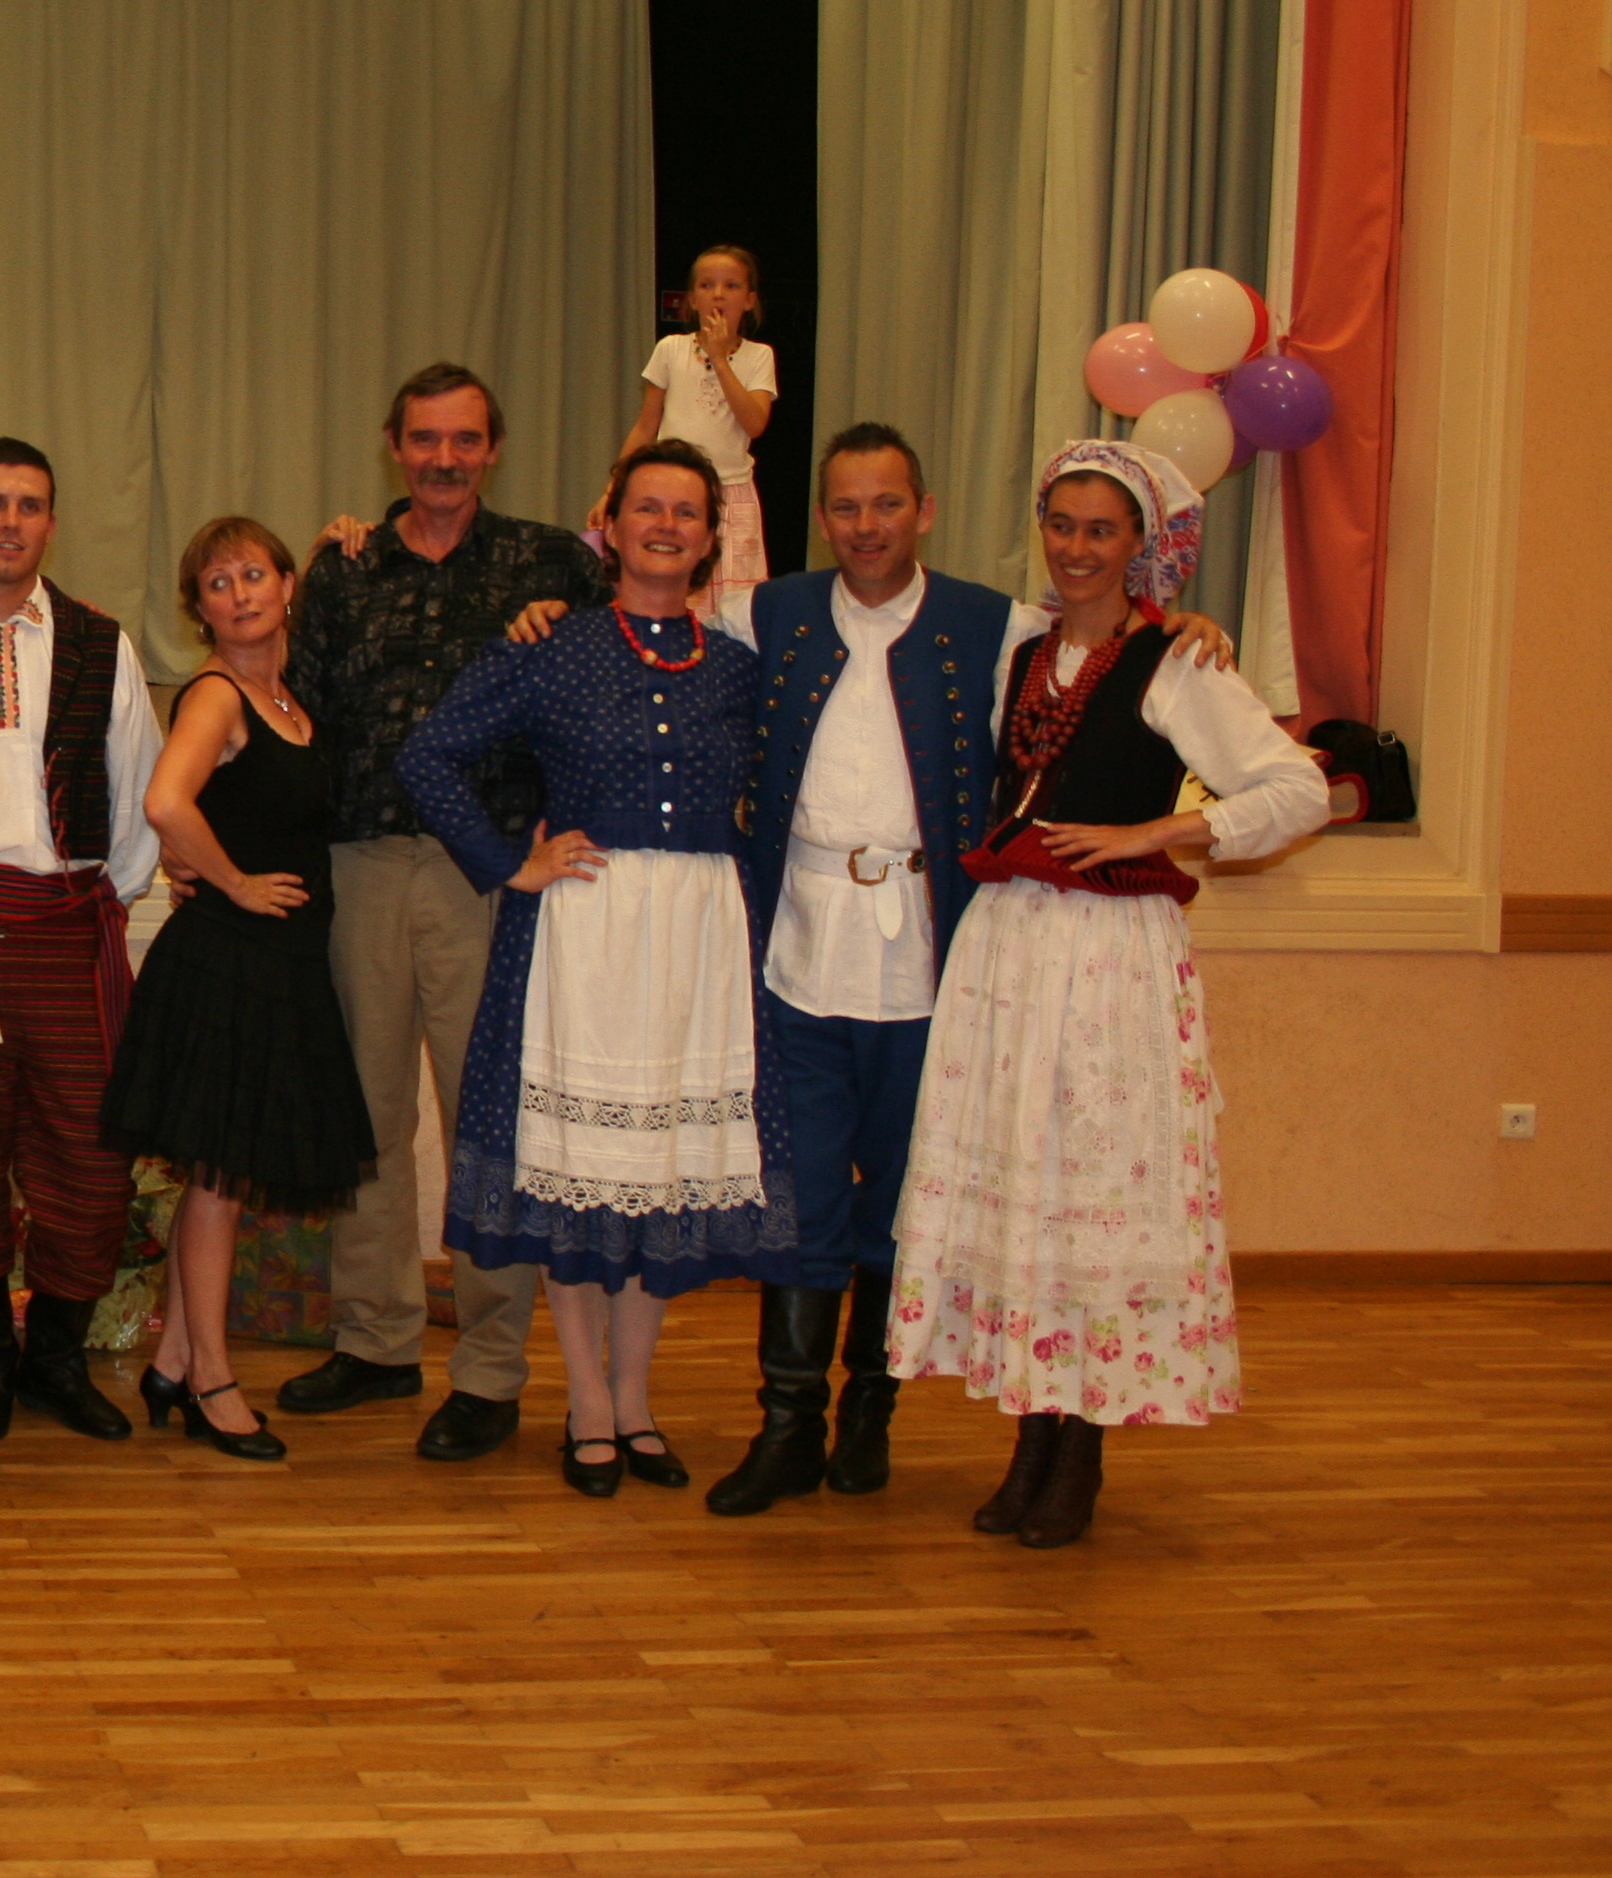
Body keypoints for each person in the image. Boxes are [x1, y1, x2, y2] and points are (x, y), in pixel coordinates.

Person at [501, 425, 1234, 1517]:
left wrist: (1187, 623)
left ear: (924, 511)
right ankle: (788, 1428)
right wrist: (549, 607)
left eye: (887, 504)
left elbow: (1106, 635)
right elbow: (650, 612)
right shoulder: (768, 613)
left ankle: (868, 1420)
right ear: (822, 518)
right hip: (796, 955)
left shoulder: (996, 627)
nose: (866, 526)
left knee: (902, 1199)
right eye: (845, 506)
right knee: (799, 1196)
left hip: (938, 969)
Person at [889, 441, 1325, 1549]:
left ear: (1142, 545)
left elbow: (1297, 789)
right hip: (1010, 951)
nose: (1077, 549)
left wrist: (1156, 830)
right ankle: (1034, 1435)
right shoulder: (1023, 651)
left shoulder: (1178, 664)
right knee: (1029, 1190)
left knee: (1089, 1187)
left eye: (1102, 531)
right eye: (1063, 525)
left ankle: (1078, 1449)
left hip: (1108, 958)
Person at [398, 439, 791, 1498]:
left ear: (711, 539)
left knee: (657, 1173)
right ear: (609, 527)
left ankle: (636, 1400)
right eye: (646, 508)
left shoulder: (740, 669)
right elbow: (427, 754)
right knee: (578, 1169)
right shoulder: (552, 645)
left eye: (686, 512)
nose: (666, 526)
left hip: (697, 942)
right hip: (584, 931)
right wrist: (505, 864)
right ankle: (585, 1402)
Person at [286, 365, 608, 1457]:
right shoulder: (343, 569)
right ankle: (375, 1342)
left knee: (488, 1126)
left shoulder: (552, 565)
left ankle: (490, 1371)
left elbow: (608, 695)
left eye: (465, 440)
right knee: (368, 1118)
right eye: (425, 439)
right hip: (363, 865)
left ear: (493, 449)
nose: (444, 459)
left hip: (495, 875)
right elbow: (301, 714)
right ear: (394, 444)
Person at [105, 519, 377, 1464]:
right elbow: (164, 803)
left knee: (218, 1179)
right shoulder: (219, 696)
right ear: (200, 610)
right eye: (216, 584)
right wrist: (234, 882)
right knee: (220, 1183)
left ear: (288, 584)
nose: (239, 594)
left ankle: (175, 1362)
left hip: (278, 962)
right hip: (230, 959)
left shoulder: (289, 699)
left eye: (253, 574)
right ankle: (214, 1380)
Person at [0, 438, 161, 1446]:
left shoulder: (103, 642)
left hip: (65, 926)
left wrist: (91, 897)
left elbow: (137, 795)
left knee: (93, 1165)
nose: (10, 522)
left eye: (29, 505)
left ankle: (55, 1358)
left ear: (51, 522)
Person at [600, 245, 776, 609]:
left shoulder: (758, 356)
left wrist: (719, 359)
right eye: (706, 285)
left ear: (749, 300)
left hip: (732, 494)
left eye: (731, 286)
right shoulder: (671, 349)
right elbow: (645, 426)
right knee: (677, 593)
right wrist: (613, 489)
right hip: (673, 494)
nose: (718, 295)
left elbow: (755, 423)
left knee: (733, 607)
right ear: (692, 299)